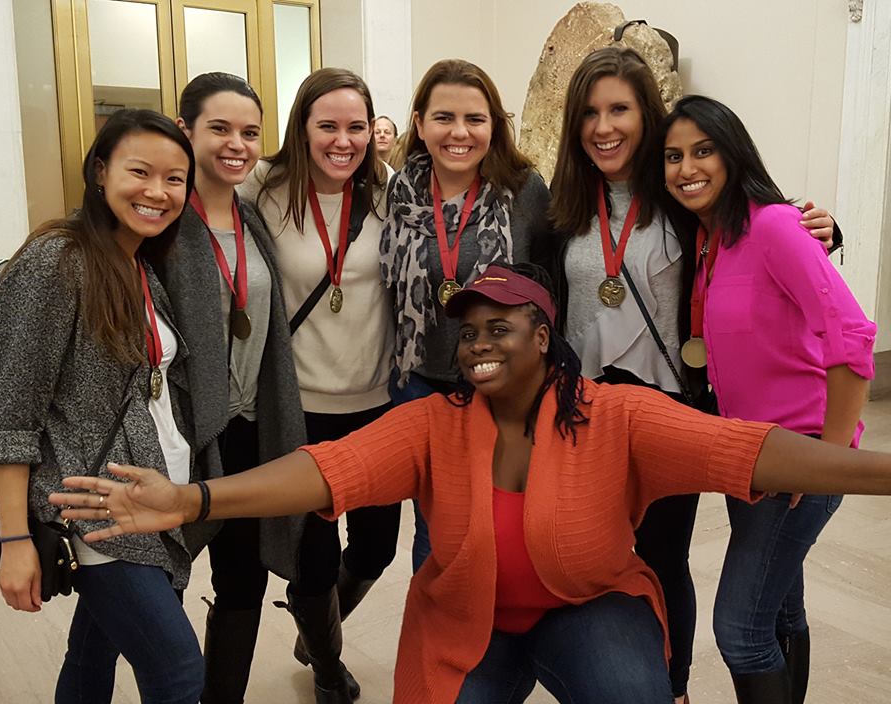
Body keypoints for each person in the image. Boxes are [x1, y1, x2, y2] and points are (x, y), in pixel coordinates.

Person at [51, 262, 889, 704]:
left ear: (544, 336)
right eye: (468, 332)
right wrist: (193, 500)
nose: (478, 343)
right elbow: (324, 471)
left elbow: (750, 451)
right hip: (465, 623)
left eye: (500, 327)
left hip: (589, 608)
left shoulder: (618, 414)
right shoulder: (433, 422)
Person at [536, 46, 838, 703]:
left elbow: (762, 226)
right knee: (597, 554)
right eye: (589, 112)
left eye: (619, 109)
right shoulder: (564, 209)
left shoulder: (681, 196)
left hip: (674, 410)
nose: (604, 127)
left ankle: (673, 690)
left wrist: (825, 229)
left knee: (665, 557)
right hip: (587, 412)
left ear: (647, 116)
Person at [0, 109, 204, 703]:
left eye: (175, 179)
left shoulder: (139, 262)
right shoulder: (57, 260)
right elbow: (11, 414)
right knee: (179, 672)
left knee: (92, 653)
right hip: (94, 509)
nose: (157, 192)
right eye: (139, 172)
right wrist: (15, 540)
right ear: (100, 172)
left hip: (152, 494)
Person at [660, 94, 876, 704]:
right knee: (779, 611)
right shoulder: (711, 238)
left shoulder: (774, 225)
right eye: (673, 156)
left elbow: (853, 336)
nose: (687, 168)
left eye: (703, 150)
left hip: (799, 455)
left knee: (740, 630)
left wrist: (829, 459)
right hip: (749, 456)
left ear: (733, 153)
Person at [237, 67, 396, 704]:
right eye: (327, 125)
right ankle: (327, 665)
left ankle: (315, 627)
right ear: (301, 127)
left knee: (377, 547)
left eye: (356, 127)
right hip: (298, 407)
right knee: (314, 554)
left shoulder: (389, 191)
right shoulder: (263, 186)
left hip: (377, 403)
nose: (343, 140)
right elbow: (170, 210)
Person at [163, 72, 306, 703]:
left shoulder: (251, 218)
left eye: (250, 132)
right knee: (159, 575)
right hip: (179, 432)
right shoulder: (161, 216)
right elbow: (86, 250)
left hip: (250, 428)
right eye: (219, 128)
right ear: (185, 130)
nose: (236, 145)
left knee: (243, 580)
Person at [380, 58, 551, 572]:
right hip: (419, 383)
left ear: (494, 125)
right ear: (419, 124)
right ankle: (439, 619)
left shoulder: (525, 191)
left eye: (475, 119)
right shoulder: (397, 193)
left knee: (504, 517)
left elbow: (550, 286)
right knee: (437, 524)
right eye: (444, 117)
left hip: (505, 387)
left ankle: (499, 617)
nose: (459, 133)